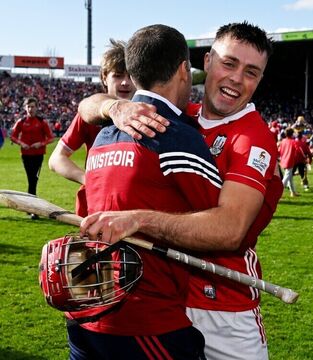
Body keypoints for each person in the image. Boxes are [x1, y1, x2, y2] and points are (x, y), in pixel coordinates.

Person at [78, 22, 281, 360]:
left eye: (251, 72)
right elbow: (85, 108)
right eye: (229, 64)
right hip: (166, 300)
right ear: (207, 62)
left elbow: (230, 231)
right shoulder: (174, 116)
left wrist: (138, 220)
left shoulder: (252, 138)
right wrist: (115, 107)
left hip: (223, 308)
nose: (236, 78)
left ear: (260, 80)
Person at [67, 24, 220, 359]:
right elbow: (220, 230)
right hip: (144, 322)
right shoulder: (174, 134)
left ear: (134, 74)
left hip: (86, 315)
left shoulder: (104, 137)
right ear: (183, 69)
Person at [48, 39, 135, 216]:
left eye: (131, 76)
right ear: (104, 77)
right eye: (118, 75)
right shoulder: (89, 114)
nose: (125, 82)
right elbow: (56, 158)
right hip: (93, 209)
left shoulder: (149, 111)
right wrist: (88, 178)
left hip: (134, 209)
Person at [10, 97, 55, 217]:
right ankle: (32, 209)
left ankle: (31, 209)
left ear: (37, 107)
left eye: (33, 106)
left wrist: (40, 143)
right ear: (25, 108)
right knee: (32, 180)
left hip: (38, 155)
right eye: (29, 106)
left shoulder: (42, 122)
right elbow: (13, 136)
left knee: (33, 181)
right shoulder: (21, 121)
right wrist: (21, 143)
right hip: (25, 155)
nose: (31, 109)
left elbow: (51, 138)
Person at [279, 127, 301, 197]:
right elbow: (298, 151)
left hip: (283, 160)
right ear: (292, 134)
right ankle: (278, 194)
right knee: (286, 177)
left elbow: (279, 150)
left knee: (290, 177)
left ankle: (293, 192)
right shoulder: (294, 141)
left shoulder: (283, 141)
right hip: (290, 161)